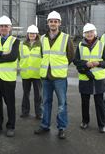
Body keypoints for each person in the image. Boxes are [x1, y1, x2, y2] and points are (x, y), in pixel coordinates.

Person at [34, 11, 74, 139]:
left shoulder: (66, 38)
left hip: (59, 77)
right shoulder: (42, 38)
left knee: (62, 103)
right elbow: (42, 54)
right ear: (48, 23)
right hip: (46, 76)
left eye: (55, 21)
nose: (53, 23)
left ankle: (61, 127)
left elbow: (71, 56)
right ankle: (45, 125)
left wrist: (60, 66)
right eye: (51, 21)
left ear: (59, 23)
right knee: (46, 102)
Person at [74, 23, 105, 133]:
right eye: (87, 32)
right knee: (85, 102)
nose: (89, 34)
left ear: (94, 33)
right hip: (85, 78)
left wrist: (98, 63)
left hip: (99, 80)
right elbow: (76, 61)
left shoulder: (102, 45)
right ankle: (85, 121)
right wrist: (86, 64)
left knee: (99, 103)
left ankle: (101, 125)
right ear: (84, 34)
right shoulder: (80, 46)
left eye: (91, 32)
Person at [19, 25, 42, 120]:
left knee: (38, 95)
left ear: (36, 34)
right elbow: (19, 57)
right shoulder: (22, 44)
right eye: (30, 33)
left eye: (33, 33)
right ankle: (25, 112)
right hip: (26, 74)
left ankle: (39, 113)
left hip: (37, 74)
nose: (32, 35)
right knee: (25, 94)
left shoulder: (41, 44)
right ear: (27, 34)